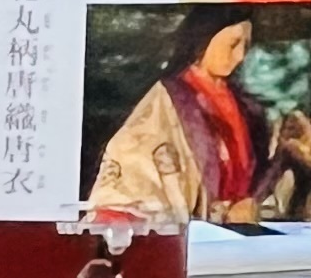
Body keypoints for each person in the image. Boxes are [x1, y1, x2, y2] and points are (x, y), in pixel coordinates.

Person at [89, 11, 311, 225]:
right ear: (203, 39)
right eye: (233, 44)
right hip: (195, 237)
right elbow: (137, 166)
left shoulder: (247, 108)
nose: (240, 55)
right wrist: (221, 214)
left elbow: (260, 188)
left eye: (246, 45)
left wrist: (287, 151)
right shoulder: (166, 103)